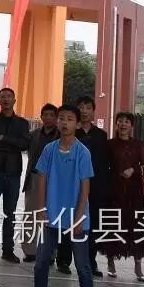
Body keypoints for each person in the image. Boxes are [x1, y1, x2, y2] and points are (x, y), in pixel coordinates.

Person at [32, 104, 94, 287]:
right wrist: (41, 209)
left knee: (82, 266)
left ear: (77, 124)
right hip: (50, 215)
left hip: (76, 216)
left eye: (70, 119)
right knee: (41, 263)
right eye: (61, 118)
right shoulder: (49, 149)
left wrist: (79, 217)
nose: (65, 123)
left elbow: (85, 188)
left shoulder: (83, 152)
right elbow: (41, 180)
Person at [59, 96, 110, 276]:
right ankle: (63, 259)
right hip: (72, 184)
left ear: (93, 111)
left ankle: (90, 261)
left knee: (92, 224)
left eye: (88, 107)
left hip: (94, 186)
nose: (84, 111)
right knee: (67, 219)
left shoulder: (101, 135)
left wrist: (103, 187)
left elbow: (103, 163)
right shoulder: (71, 133)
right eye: (81, 107)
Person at [100, 111, 144, 280]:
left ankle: (138, 266)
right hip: (114, 192)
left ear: (131, 126)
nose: (123, 124)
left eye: (127, 122)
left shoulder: (138, 144)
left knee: (136, 227)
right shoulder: (109, 144)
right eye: (120, 121)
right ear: (116, 124)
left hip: (134, 193)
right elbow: (103, 166)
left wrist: (134, 170)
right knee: (112, 225)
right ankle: (111, 262)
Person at [0, 87, 30, 263]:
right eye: (3, 97)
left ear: (14, 100)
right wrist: (11, 143)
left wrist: (4, 138)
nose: (6, 99)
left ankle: (8, 250)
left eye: (9, 97)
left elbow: (24, 144)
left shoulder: (23, 123)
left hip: (13, 171)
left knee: (10, 212)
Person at [23, 104, 60, 262]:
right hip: (35, 177)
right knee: (31, 215)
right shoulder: (33, 135)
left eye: (52, 115)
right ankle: (30, 251)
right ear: (41, 117)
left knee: (52, 216)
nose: (48, 118)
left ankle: (49, 253)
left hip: (54, 179)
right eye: (45, 114)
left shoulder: (61, 135)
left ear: (56, 118)